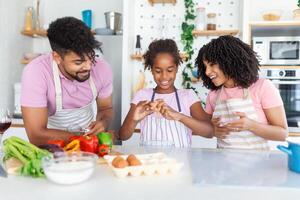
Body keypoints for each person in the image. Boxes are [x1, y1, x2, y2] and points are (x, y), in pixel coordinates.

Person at [21, 17, 113, 145]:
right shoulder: (36, 72)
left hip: (88, 148)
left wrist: (103, 123)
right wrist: (83, 138)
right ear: (57, 57)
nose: (88, 67)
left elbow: (106, 108)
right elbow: (36, 135)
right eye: (78, 62)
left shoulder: (102, 68)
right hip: (50, 149)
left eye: (91, 57)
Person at [195, 35, 288, 150]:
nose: (207, 72)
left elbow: (282, 134)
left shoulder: (262, 87)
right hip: (223, 164)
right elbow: (208, 129)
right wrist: (214, 130)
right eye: (205, 67)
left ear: (229, 61)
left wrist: (251, 125)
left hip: (258, 165)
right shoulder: (213, 95)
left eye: (212, 64)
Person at [119, 39, 213, 148]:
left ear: (176, 68)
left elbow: (209, 132)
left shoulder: (187, 96)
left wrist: (179, 116)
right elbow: (123, 136)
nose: (164, 77)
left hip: (180, 162)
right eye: (158, 71)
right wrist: (134, 120)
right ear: (151, 70)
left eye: (169, 70)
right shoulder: (142, 96)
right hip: (150, 162)